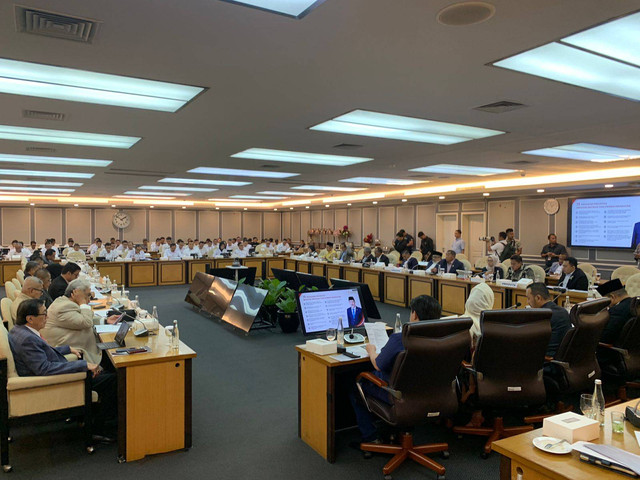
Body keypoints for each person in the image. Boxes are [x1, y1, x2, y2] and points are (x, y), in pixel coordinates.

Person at [10, 298, 117, 440]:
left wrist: (67, 348)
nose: (47, 317)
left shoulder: (19, 331)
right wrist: (83, 365)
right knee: (115, 379)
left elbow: (43, 351)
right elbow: (44, 368)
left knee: (106, 373)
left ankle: (94, 416)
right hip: (57, 381)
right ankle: (97, 429)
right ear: (30, 318)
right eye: (44, 314)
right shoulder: (27, 339)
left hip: (55, 372)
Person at [349, 295, 442, 447]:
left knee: (357, 384)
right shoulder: (443, 337)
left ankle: (371, 437)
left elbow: (378, 365)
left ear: (415, 314)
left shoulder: (401, 338)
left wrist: (371, 350)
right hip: (430, 392)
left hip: (397, 395)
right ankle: (393, 431)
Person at [43, 279, 120, 365]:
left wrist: (105, 320)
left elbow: (80, 319)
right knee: (116, 361)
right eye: (87, 295)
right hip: (74, 352)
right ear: (75, 293)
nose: (89, 300)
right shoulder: (64, 307)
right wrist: (83, 302)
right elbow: (86, 322)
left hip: (85, 346)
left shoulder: (66, 302)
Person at [525, 283, 571, 358]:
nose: (527, 302)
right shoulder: (563, 311)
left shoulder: (542, 316)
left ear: (538, 298)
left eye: (528, 298)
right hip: (563, 358)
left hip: (547, 361)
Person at [597, 279, 634, 344]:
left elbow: (605, 338)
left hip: (612, 351)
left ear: (612, 297)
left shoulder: (617, 311)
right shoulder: (635, 304)